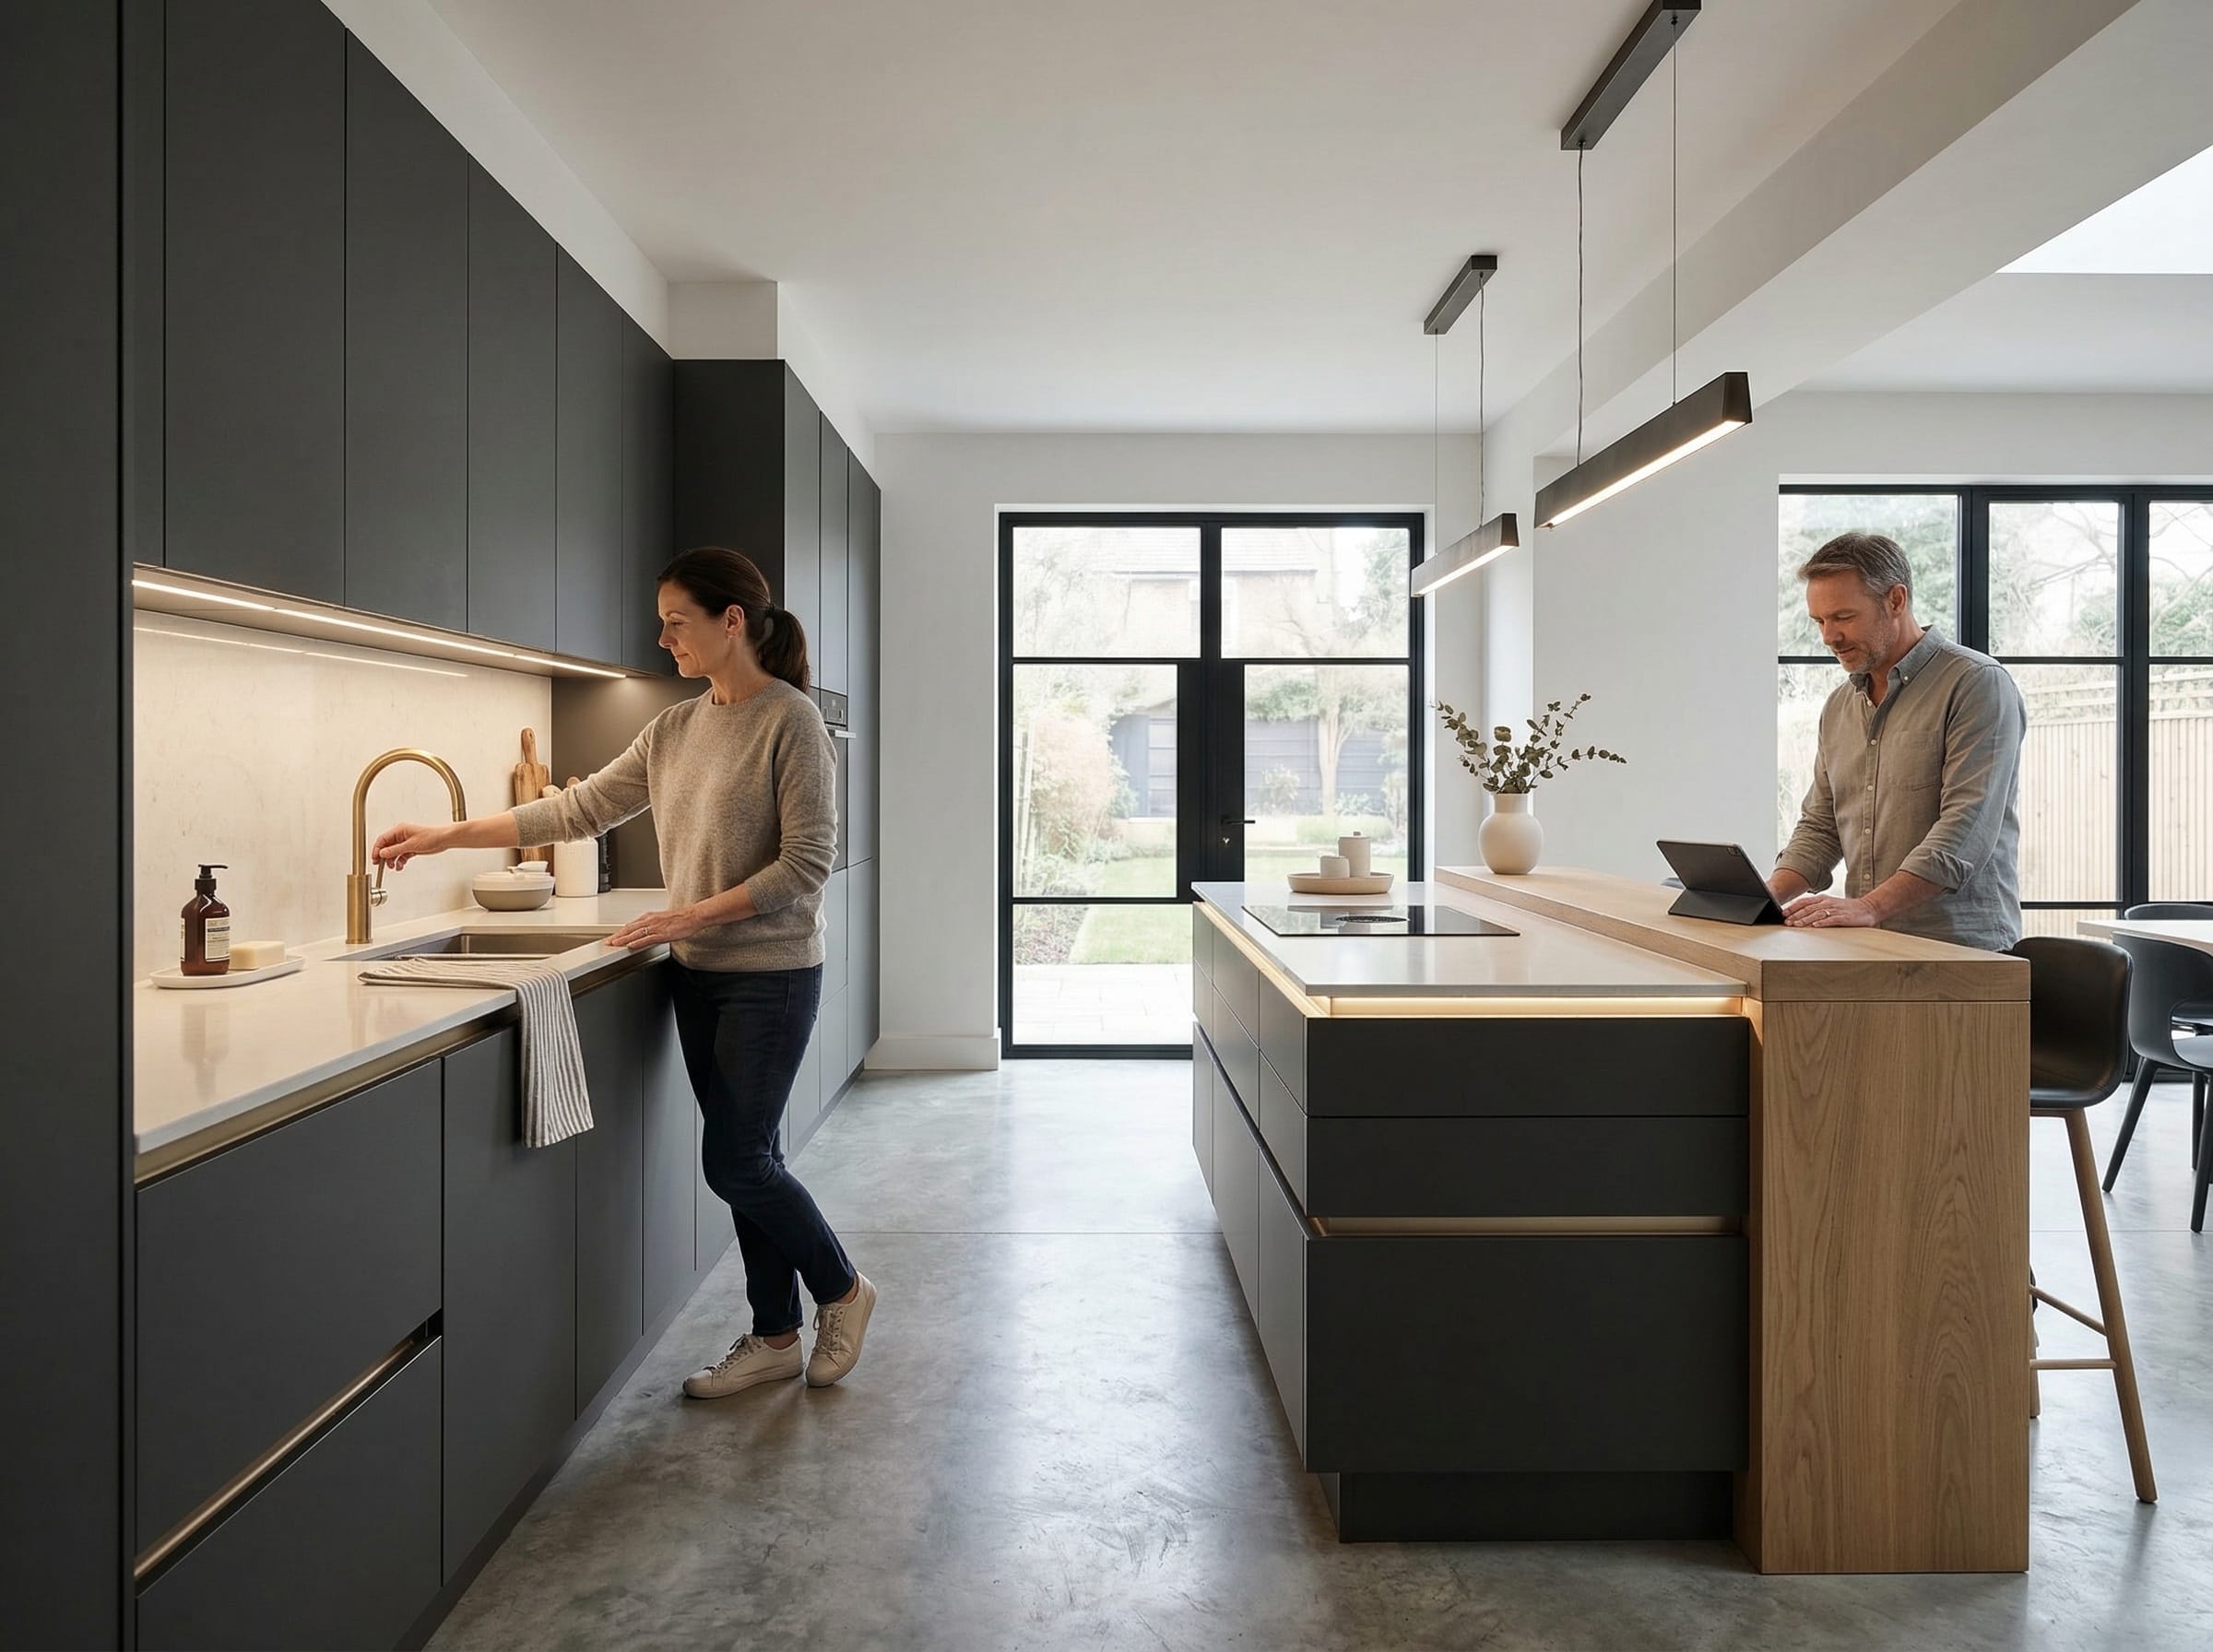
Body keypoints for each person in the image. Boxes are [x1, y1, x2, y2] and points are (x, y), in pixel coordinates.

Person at [372, 547, 875, 1398]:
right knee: (748, 1156)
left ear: (731, 621)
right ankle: (774, 1334)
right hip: (698, 975)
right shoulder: (676, 728)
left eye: (678, 621)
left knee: (738, 1162)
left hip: (772, 974)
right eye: (663, 620)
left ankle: (843, 1290)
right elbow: (577, 807)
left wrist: (689, 913)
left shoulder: (789, 721)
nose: (664, 636)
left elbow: (807, 865)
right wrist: (443, 835)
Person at [1769, 531, 2027, 951]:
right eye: (1819, 621)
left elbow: (1965, 830)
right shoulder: (1839, 706)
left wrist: (1869, 906)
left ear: (1896, 600)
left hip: (1961, 954)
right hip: (1870, 946)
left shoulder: (1977, 684)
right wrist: (1764, 899)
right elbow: (1821, 828)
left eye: (1843, 617)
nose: (1828, 637)